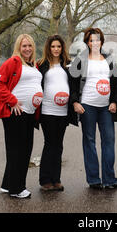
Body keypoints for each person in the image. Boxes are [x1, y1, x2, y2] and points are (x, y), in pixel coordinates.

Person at [69, 27, 117, 190]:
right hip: (87, 106)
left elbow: (116, 83)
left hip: (106, 107)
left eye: (97, 40)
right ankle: (94, 179)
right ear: (87, 42)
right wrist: (75, 102)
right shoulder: (80, 59)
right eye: (91, 40)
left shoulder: (109, 59)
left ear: (102, 41)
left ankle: (109, 179)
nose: (95, 43)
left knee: (109, 141)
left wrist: (114, 102)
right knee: (89, 142)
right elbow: (72, 83)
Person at [0, 34, 42, 199]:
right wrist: (12, 101)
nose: (27, 49)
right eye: (24, 46)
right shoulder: (12, 62)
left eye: (29, 46)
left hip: (28, 113)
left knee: (22, 149)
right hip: (15, 113)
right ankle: (17, 188)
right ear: (18, 48)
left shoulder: (33, 65)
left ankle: (8, 185)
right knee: (18, 151)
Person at [36, 35, 78, 192]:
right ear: (49, 48)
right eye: (53, 46)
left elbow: (73, 87)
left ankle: (56, 179)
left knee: (58, 145)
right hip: (47, 111)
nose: (56, 49)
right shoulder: (41, 65)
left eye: (58, 47)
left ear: (62, 48)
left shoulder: (68, 65)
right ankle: (45, 180)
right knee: (49, 144)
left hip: (63, 112)